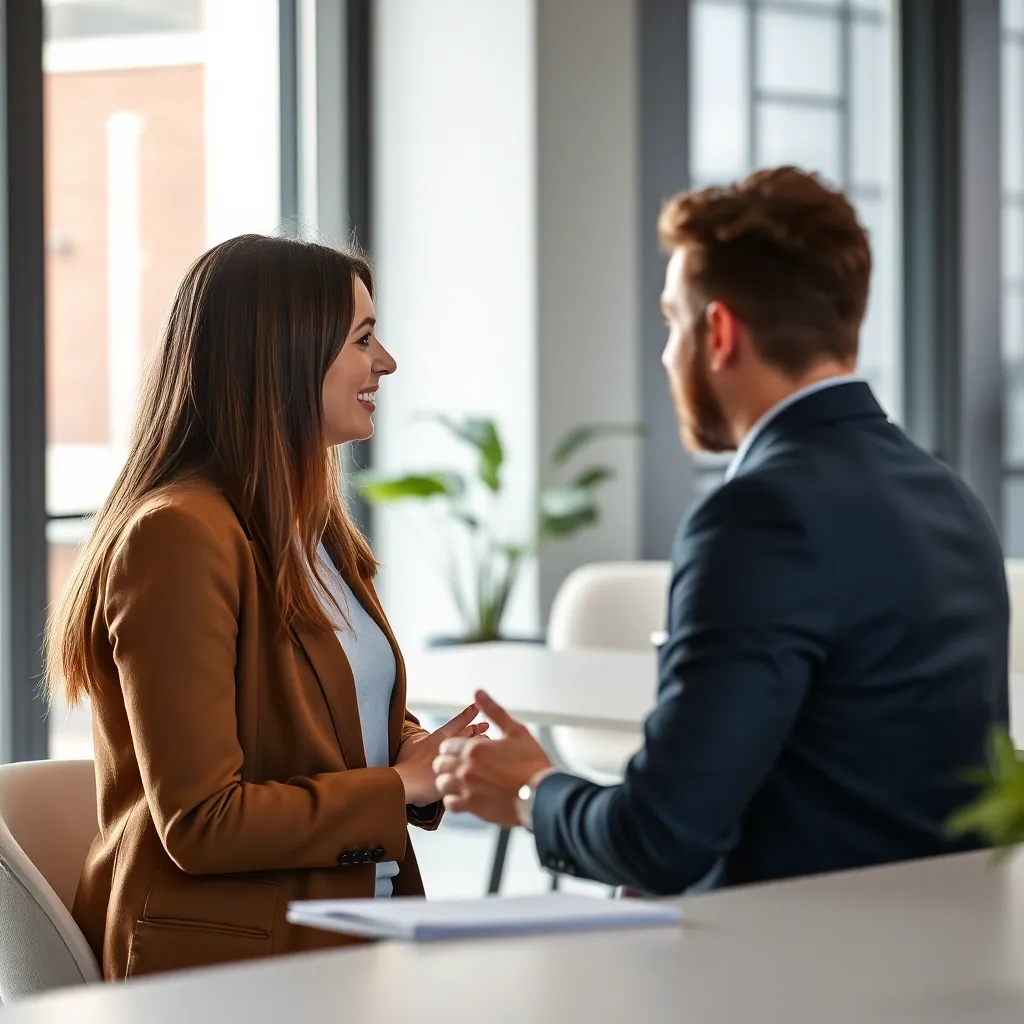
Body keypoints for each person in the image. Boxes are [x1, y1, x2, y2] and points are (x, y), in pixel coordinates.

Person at [432, 166, 1011, 895]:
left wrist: (529, 791)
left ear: (719, 332)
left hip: (776, 972)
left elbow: (661, 838)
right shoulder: (952, 498)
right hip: (938, 970)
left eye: (672, 321)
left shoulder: (758, 517)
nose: (668, 351)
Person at [45, 235, 486, 979]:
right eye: (363, 339)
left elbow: (321, 704)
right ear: (282, 356)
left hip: (353, 930)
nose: (386, 362)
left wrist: (412, 745)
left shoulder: (313, 531)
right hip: (232, 959)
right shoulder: (178, 535)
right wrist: (401, 787)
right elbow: (202, 823)